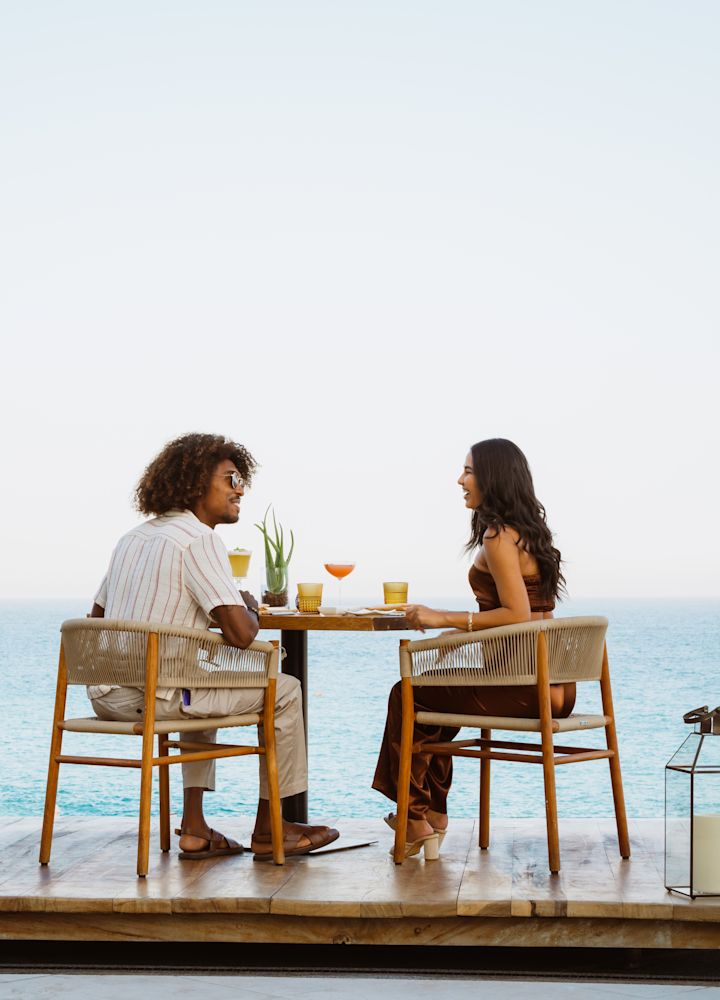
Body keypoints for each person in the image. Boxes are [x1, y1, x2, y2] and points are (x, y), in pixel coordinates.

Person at [87, 432, 338, 860]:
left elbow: (96, 618)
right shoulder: (198, 540)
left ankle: (195, 828)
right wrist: (249, 607)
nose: (240, 489)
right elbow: (241, 635)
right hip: (155, 697)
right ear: (196, 482)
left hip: (109, 695)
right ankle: (271, 828)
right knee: (285, 689)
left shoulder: (131, 539)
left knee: (196, 685)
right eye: (231, 478)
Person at [372, 438, 570, 856]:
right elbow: (529, 615)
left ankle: (413, 818)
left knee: (406, 693)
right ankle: (432, 815)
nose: (460, 480)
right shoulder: (529, 535)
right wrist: (456, 637)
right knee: (433, 697)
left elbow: (516, 615)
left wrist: (439, 617)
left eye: (468, 471)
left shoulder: (500, 536)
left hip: (524, 689)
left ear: (493, 478)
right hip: (556, 687)